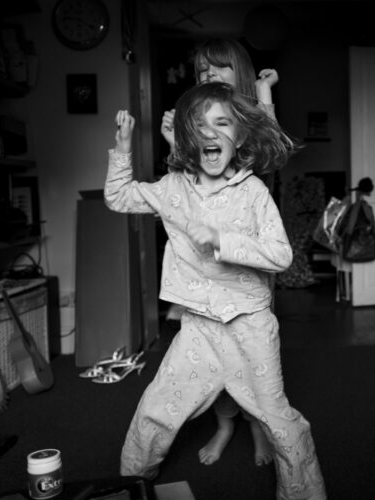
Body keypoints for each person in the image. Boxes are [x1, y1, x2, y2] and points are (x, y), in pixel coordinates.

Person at [105, 82, 326, 500]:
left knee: (279, 420)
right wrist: (122, 146)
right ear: (187, 138)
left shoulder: (253, 193)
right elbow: (118, 197)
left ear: (239, 136)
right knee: (156, 409)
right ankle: (128, 484)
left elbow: (281, 255)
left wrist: (223, 239)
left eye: (222, 123)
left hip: (250, 328)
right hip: (198, 330)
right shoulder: (173, 188)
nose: (210, 133)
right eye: (198, 125)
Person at [160, 38, 281, 467]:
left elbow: (270, 149)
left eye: (219, 69)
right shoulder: (199, 120)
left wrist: (264, 92)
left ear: (240, 74)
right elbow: (183, 180)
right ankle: (225, 424)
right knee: (210, 352)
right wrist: (174, 139)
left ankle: (257, 427)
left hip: (246, 266)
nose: (209, 77)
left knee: (252, 360)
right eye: (202, 72)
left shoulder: (245, 120)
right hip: (206, 264)